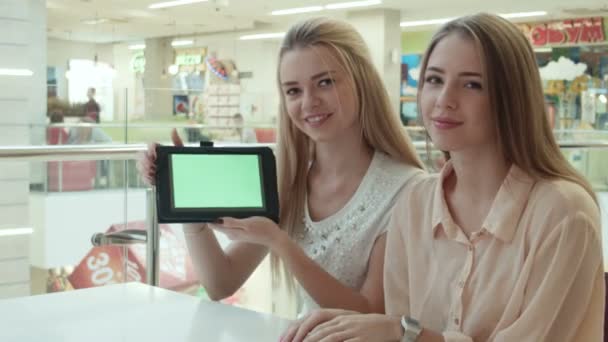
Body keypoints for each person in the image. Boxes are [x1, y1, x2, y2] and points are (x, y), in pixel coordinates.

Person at [283, 13, 604, 342]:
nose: (444, 100)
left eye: (471, 84)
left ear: (512, 98)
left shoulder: (563, 213)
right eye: (434, 80)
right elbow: (397, 324)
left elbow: (402, 331)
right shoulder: (416, 202)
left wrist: (407, 334)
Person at [138, 17, 424, 317]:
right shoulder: (291, 182)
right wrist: (188, 200)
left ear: (361, 81)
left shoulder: (406, 190)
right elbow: (220, 282)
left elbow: (370, 313)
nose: (309, 102)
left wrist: (281, 244)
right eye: (293, 91)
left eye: (325, 82)